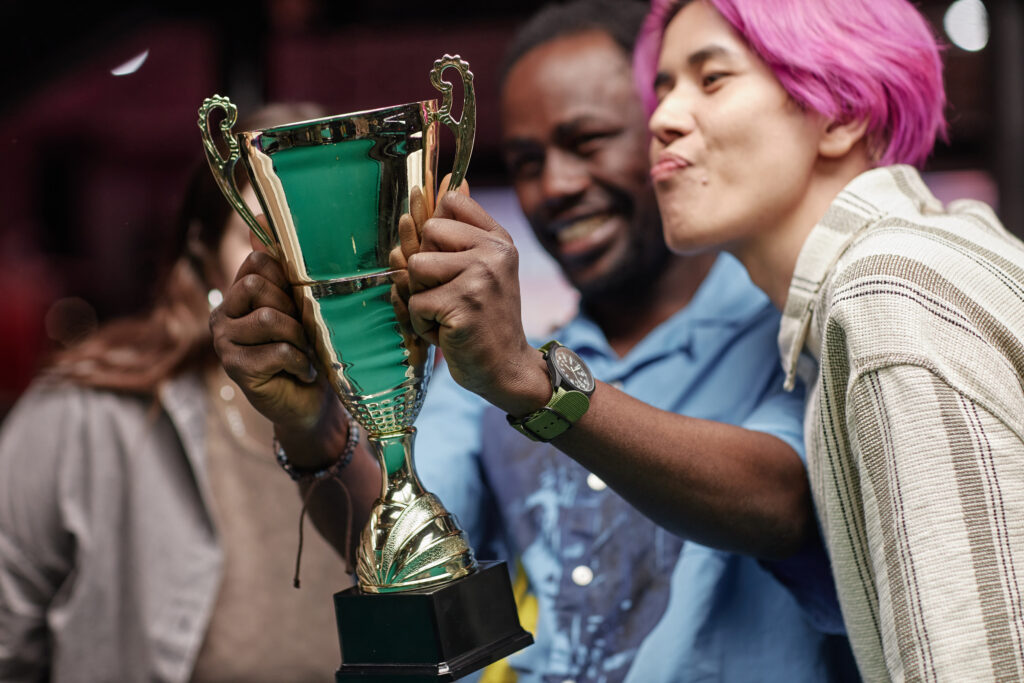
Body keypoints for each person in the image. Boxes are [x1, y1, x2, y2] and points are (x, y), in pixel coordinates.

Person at [210, 2, 856, 681]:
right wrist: (314, 426)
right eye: (526, 160)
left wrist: (539, 386)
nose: (557, 186)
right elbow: (408, 545)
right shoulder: (488, 360)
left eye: (589, 141)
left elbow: (787, 505)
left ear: (666, 134)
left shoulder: (783, 323)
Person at [0, 103, 355, 682]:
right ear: (204, 260)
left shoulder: (415, 420)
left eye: (329, 229)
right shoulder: (87, 417)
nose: (300, 263)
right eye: (263, 231)